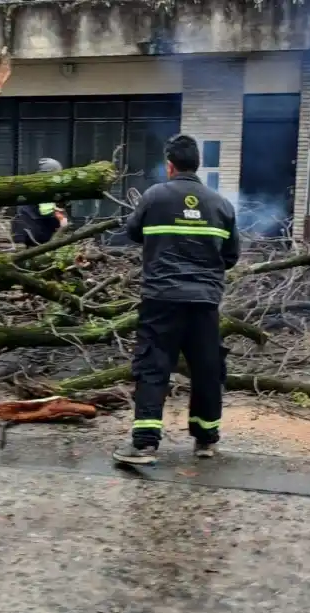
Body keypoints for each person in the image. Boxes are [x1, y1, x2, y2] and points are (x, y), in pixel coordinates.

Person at [113, 134, 240, 466]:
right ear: (197, 164)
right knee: (207, 368)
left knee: (153, 365)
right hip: (204, 302)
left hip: (161, 299)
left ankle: (144, 445)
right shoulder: (221, 204)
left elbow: (132, 233)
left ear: (169, 166)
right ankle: (206, 440)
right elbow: (231, 256)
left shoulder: (154, 197)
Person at [11, 158, 69, 247]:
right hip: (33, 228)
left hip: (32, 227)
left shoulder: (35, 185)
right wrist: (60, 215)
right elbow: (47, 211)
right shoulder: (42, 188)